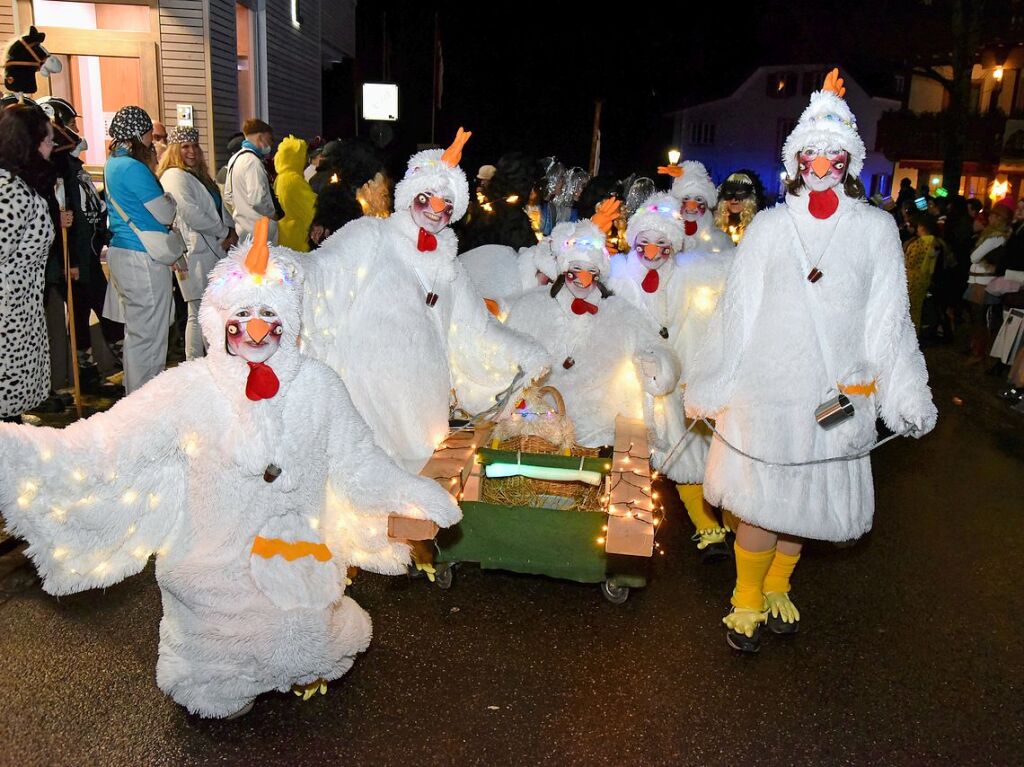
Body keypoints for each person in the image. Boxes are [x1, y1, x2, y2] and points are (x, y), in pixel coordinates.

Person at [0, 219, 461, 719]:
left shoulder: (318, 385)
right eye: (242, 314)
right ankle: (220, 669)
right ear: (219, 322)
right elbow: (105, 446)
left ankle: (296, 654)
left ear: (289, 322)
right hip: (213, 576)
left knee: (319, 643)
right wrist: (15, 448)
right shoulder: (188, 389)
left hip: (296, 560)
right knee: (211, 689)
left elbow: (359, 460)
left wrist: (410, 491)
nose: (256, 327)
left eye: (269, 313)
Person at [685, 70, 936, 653]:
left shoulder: (876, 230)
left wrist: (906, 396)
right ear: (796, 160)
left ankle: (778, 585)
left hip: (837, 394)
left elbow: (889, 320)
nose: (822, 164)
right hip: (766, 390)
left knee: (806, 505)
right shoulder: (770, 228)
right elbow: (737, 313)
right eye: (811, 154)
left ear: (848, 160)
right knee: (761, 502)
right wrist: (716, 383)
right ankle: (745, 597)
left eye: (833, 154)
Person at [302, 128, 548, 481]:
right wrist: (275, 271)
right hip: (366, 397)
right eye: (426, 199)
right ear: (408, 197)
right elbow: (320, 272)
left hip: (422, 405)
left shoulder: (450, 265)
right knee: (363, 493)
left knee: (415, 498)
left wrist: (524, 355)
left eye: (445, 205)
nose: (435, 211)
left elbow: (478, 328)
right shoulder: (371, 236)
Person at [610, 192, 733, 560]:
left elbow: (733, 267)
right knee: (628, 454)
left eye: (662, 243)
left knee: (688, 450)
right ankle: (626, 534)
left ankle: (712, 524)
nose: (652, 251)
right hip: (626, 377)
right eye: (644, 242)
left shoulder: (688, 271)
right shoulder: (616, 274)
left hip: (677, 377)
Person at [504, 201, 680, 451]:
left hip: (599, 438)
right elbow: (505, 357)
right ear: (565, 270)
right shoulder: (531, 307)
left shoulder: (621, 313)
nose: (584, 280)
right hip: (532, 436)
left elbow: (657, 351)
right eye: (576, 270)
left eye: (591, 272)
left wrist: (657, 365)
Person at [103, 105, 179, 394]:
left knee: (138, 333)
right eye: (149, 133)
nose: (152, 140)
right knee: (150, 335)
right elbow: (164, 212)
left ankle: (136, 399)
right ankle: (144, 403)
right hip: (142, 257)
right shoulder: (133, 167)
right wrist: (170, 199)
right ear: (138, 133)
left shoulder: (113, 164)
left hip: (125, 253)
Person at [157, 125, 236, 360]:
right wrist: (223, 232)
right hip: (196, 254)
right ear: (174, 149)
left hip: (211, 250)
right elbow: (190, 213)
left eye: (194, 146)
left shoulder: (197, 175)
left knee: (206, 310)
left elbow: (219, 207)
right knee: (198, 311)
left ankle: (209, 360)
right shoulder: (174, 176)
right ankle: (196, 363)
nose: (191, 151)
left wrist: (230, 232)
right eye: (185, 147)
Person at [0, 103, 57, 423]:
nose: (52, 148)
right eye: (48, 140)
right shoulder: (11, 191)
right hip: (8, 317)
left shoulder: (17, 185)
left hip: (18, 310)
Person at [965, 197, 1013, 363]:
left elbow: (974, 256)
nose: (990, 218)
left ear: (1000, 218)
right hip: (979, 280)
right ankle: (976, 348)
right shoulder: (994, 235)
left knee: (981, 318)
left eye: (994, 216)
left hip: (983, 282)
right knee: (978, 317)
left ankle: (979, 352)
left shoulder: (996, 237)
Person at [224, 118, 279, 244]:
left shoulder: (234, 159)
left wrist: (241, 212)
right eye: (270, 139)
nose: (271, 144)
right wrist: (273, 213)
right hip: (260, 233)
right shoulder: (253, 161)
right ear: (261, 137)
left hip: (244, 231)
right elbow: (257, 199)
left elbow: (227, 195)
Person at [663, 160, 735, 254]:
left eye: (698, 199)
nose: (691, 206)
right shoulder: (667, 236)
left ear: (706, 203)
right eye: (686, 198)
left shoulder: (720, 240)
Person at [273, 135, 316, 252]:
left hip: (284, 236)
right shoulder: (293, 179)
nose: (304, 160)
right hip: (296, 239)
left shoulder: (281, 178)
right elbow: (311, 206)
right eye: (302, 155)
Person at [903, 213, 942, 331]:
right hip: (924, 279)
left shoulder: (919, 244)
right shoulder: (935, 242)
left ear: (923, 227)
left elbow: (909, 262)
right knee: (916, 310)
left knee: (909, 310)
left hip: (912, 280)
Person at [714, 169, 766, 244]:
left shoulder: (760, 226)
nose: (734, 199)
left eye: (740, 192)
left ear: (751, 198)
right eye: (729, 192)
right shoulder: (713, 223)